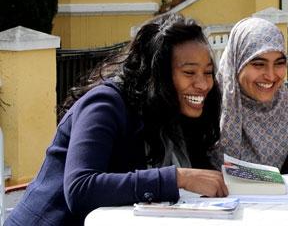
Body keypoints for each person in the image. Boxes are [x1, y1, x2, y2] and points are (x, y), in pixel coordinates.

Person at [6, 13, 227, 225]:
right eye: (189, 73)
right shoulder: (105, 104)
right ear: (156, 74)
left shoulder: (176, 113)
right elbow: (80, 188)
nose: (203, 84)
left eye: (208, 73)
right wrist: (178, 178)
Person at [213, 17, 288, 184]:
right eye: (258, 64)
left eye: (279, 63)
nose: (270, 75)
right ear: (237, 62)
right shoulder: (210, 111)